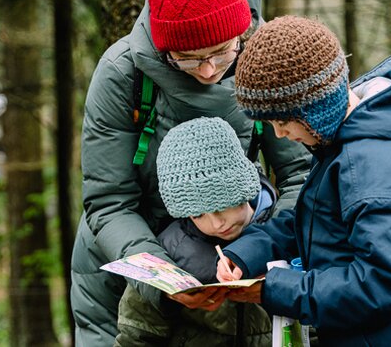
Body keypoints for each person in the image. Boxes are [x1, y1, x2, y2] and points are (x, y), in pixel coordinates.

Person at [69, 0, 312, 345]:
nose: (207, 70)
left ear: (242, 35)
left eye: (221, 53)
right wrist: (163, 278)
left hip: (235, 250)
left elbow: (300, 173)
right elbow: (109, 202)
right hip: (128, 262)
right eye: (188, 58)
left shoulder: (264, 58)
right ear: (164, 48)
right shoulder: (121, 74)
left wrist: (253, 246)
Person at [216, 16, 391, 345]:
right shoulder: (342, 145)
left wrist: (277, 288)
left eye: (284, 121)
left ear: (316, 108)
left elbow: (383, 282)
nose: (280, 134)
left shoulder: (373, 165)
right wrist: (245, 254)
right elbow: (314, 220)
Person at [114, 117, 276, 346]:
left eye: (220, 206)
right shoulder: (170, 253)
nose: (216, 223)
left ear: (242, 187)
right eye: (198, 214)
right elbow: (136, 335)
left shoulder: (285, 234)